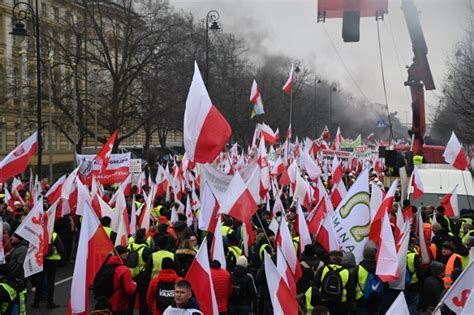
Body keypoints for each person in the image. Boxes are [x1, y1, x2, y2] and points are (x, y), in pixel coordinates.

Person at [312, 250, 355, 315]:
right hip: (340, 304)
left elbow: (315, 285)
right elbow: (351, 291)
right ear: (341, 260)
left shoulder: (323, 269)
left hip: (324, 302)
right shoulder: (346, 272)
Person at [32, 227, 65, 309]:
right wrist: (63, 259)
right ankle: (50, 302)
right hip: (53, 261)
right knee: (50, 282)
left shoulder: (40, 235)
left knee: (40, 281)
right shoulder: (54, 235)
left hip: (42, 260)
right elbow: (61, 248)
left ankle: (36, 302)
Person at [0, 233, 27, 314]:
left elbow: (20, 264)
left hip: (15, 275)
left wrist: (11, 273)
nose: (11, 238)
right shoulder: (16, 247)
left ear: (19, 239)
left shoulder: (22, 249)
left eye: (14, 236)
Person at [127, 228, 152, 315]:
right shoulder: (146, 250)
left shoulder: (129, 246)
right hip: (142, 277)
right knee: (142, 300)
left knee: (130, 299)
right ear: (144, 237)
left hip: (130, 276)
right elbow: (149, 265)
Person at [108, 245, 137, 315]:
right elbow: (129, 290)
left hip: (107, 301)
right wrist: (134, 285)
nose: (127, 254)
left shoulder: (107, 264)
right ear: (122, 254)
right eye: (126, 253)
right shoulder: (124, 270)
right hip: (119, 303)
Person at [353, 241, 381, 315]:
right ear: (375, 255)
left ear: (363, 255)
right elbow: (385, 284)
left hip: (361, 299)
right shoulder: (379, 268)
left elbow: (352, 285)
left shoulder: (358, 269)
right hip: (376, 298)